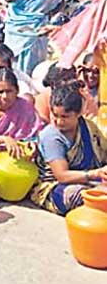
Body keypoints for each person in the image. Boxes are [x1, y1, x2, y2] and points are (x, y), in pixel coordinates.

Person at [31, 81, 107, 215]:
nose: (59, 122)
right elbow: (62, 176)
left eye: (65, 117)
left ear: (78, 114)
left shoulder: (88, 128)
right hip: (55, 187)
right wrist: (94, 174)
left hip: (92, 179)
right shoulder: (51, 136)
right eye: (55, 115)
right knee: (83, 197)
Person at [0, 69, 44, 189]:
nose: (5, 96)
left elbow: (37, 133)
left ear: (17, 91)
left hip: (19, 155)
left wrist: (32, 145)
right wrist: (4, 139)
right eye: (0, 92)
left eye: (9, 91)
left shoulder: (25, 108)